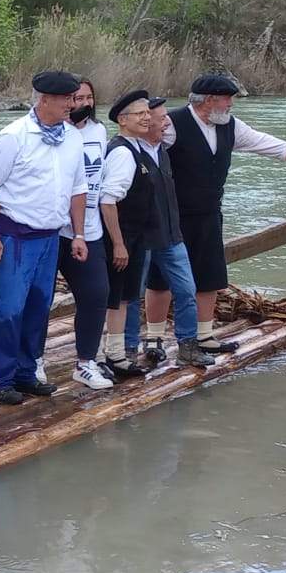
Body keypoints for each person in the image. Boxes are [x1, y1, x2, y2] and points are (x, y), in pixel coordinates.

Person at [150, 72, 286, 357]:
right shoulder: (172, 124)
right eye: (227, 99)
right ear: (209, 100)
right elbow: (142, 148)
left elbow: (267, 144)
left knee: (209, 276)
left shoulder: (230, 126)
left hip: (208, 214)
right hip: (171, 214)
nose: (231, 104)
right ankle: (153, 338)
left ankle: (204, 336)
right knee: (161, 278)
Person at [0, 70, 89, 406]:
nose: (71, 105)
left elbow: (78, 189)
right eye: (65, 99)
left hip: (50, 237)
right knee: (10, 309)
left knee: (39, 307)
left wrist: (79, 234)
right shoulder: (14, 136)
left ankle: (26, 372)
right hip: (15, 236)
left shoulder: (73, 138)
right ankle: (0, 378)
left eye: (73, 98)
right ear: (44, 100)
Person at [98, 89, 210, 371]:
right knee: (131, 296)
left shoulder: (161, 148)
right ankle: (127, 349)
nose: (162, 123)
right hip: (140, 238)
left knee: (186, 290)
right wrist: (119, 242)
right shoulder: (124, 152)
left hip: (170, 235)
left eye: (154, 116)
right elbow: (108, 199)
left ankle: (188, 347)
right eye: (156, 118)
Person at [56, 77, 116, 390]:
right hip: (54, 228)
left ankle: (86, 363)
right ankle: (32, 361)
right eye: (77, 98)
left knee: (96, 294)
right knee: (37, 299)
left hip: (89, 228)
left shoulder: (99, 131)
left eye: (88, 97)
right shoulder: (54, 131)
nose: (83, 103)